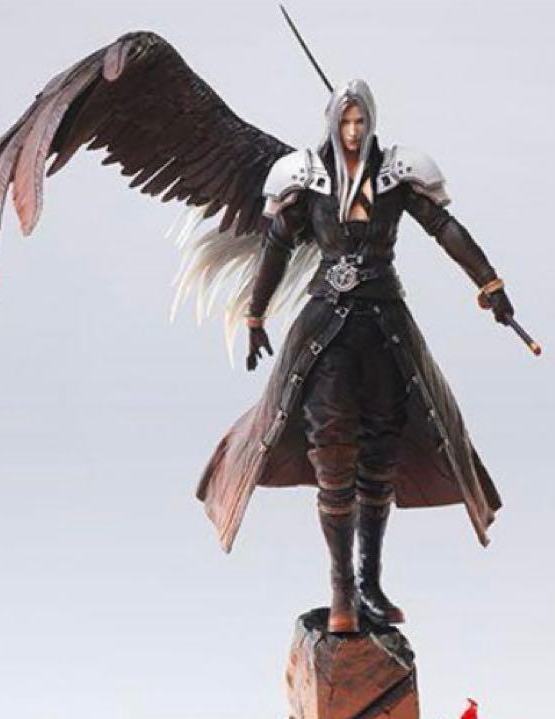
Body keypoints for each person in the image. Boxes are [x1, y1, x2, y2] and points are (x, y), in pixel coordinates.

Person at [196, 79, 516, 634]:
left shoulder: (397, 173)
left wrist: (490, 284)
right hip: (327, 333)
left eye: (360, 121)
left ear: (371, 122)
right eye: (344, 122)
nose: (352, 130)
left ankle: (370, 584)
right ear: (331, 123)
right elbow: (277, 243)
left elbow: (443, 228)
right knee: (334, 458)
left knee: (381, 456)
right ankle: (342, 594)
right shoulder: (306, 177)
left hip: (386, 328)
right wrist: (254, 316)